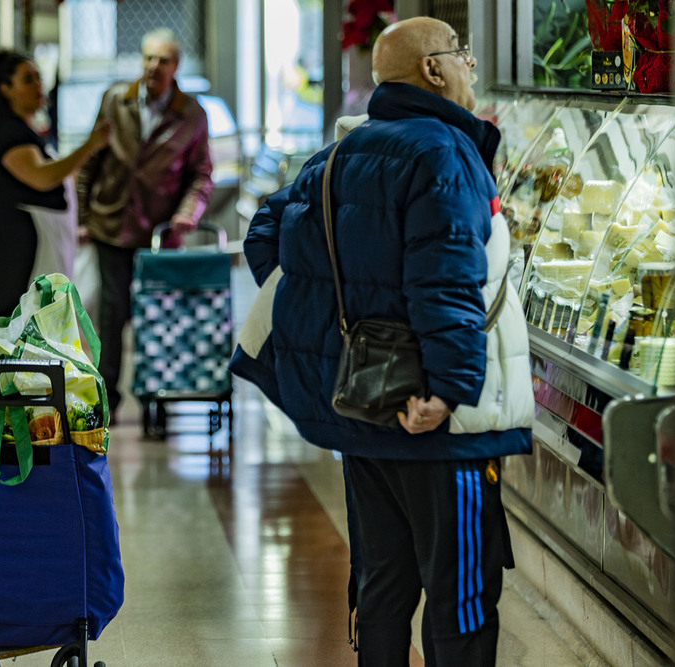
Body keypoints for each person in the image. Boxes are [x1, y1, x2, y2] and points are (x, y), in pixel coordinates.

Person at [240, 17, 535, 665]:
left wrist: (339, 331)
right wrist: (449, 388)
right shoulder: (443, 153)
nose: (471, 66)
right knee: (461, 596)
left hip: (367, 405)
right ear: (432, 70)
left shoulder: (340, 151)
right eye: (462, 54)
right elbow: (445, 276)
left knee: (382, 585)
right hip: (439, 423)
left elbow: (265, 234)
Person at [76, 27, 214, 418]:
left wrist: (188, 213)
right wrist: (84, 216)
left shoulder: (192, 114)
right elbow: (90, 161)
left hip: (158, 234)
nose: (154, 67)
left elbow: (201, 175)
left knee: (157, 318)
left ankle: (158, 399)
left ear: (176, 66)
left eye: (163, 60)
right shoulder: (115, 100)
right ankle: (108, 402)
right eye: (149, 59)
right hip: (111, 225)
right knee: (111, 314)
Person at [0, 49, 111, 318]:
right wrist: (89, 146)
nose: (39, 86)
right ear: (6, 89)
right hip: (14, 242)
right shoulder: (7, 132)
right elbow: (43, 177)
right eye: (28, 80)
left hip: (36, 238)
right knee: (19, 323)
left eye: (39, 78)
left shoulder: (28, 130)